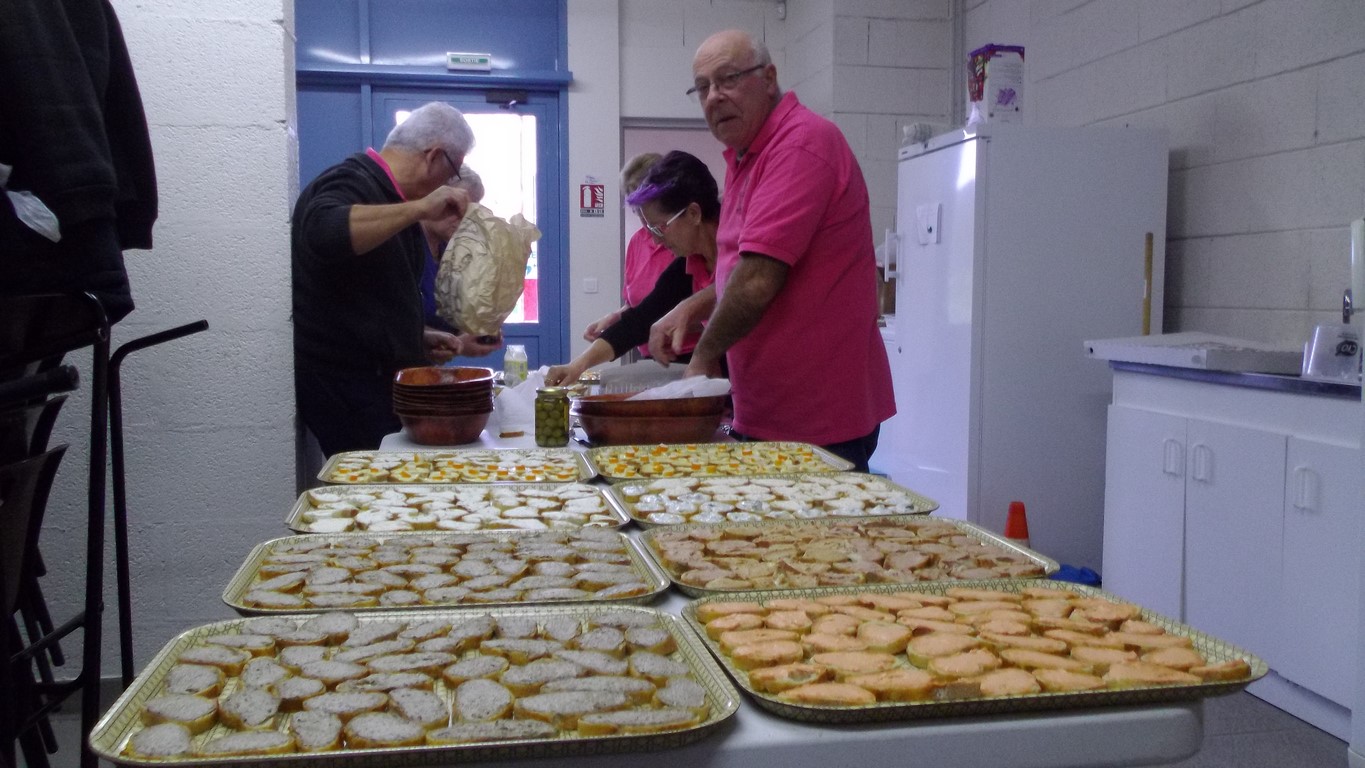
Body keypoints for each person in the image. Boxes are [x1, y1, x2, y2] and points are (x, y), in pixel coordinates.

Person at [648, 29, 894, 472]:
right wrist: (694, 304)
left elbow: (759, 278)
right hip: (766, 411)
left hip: (817, 419)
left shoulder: (800, 144)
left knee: (811, 542)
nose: (713, 97)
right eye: (702, 87)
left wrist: (703, 357)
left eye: (727, 79)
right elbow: (747, 268)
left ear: (769, 77)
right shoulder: (748, 156)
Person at [291, 102, 498, 456]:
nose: (450, 182)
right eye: (453, 168)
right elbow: (322, 232)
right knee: (378, 501)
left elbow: (365, 298)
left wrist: (418, 337)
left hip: (374, 387)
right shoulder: (351, 180)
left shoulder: (390, 200)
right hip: (348, 391)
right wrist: (419, 209)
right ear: (434, 157)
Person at [545, 151, 719, 386]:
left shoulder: (740, 248)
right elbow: (641, 318)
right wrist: (578, 365)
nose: (656, 241)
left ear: (693, 214)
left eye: (659, 228)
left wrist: (690, 313)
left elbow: (739, 290)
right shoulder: (687, 266)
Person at [581, 153, 693, 359]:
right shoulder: (636, 243)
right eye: (635, 207)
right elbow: (638, 308)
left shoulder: (684, 243)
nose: (642, 215)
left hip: (689, 354)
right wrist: (613, 318)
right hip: (650, 353)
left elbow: (709, 308)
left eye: (645, 204)